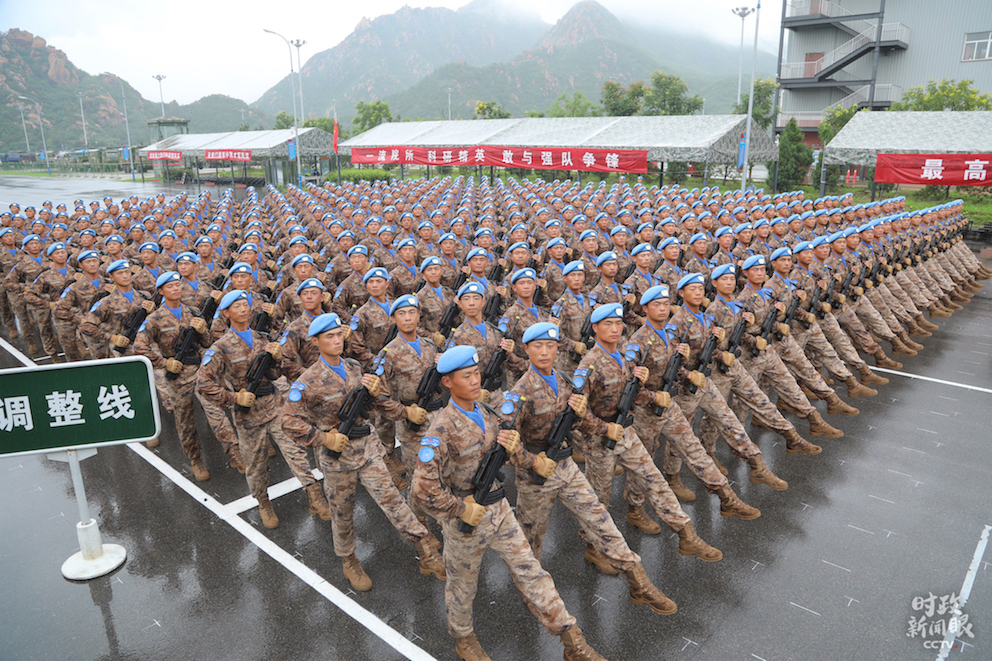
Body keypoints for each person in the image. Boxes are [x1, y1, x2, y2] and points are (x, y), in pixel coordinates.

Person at [412, 344, 608, 661]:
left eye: (477, 373)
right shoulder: (440, 430)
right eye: (466, 376)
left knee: (532, 572)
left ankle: (572, 640)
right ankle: (464, 640)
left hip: (500, 511)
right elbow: (422, 489)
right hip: (465, 522)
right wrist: (460, 509)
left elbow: (507, 455)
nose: (475, 381)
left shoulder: (489, 413)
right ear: (447, 382)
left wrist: (522, 454)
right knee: (463, 588)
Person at [508, 322, 677, 614]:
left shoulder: (563, 381)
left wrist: (601, 425)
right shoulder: (518, 394)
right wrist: (533, 461)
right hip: (535, 475)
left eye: (550, 346)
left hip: (566, 465)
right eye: (537, 346)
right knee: (531, 539)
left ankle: (639, 580)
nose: (545, 352)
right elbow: (506, 446)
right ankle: (531, 591)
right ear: (526, 349)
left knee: (599, 518)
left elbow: (580, 421)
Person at [280, 312, 445, 590]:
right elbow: (288, 421)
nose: (336, 341)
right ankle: (349, 560)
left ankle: (425, 548)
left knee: (393, 500)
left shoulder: (355, 369)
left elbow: (379, 403)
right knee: (342, 513)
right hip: (338, 460)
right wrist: (322, 438)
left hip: (368, 451)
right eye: (329, 337)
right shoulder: (307, 381)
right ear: (316, 341)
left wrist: (402, 410)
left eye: (338, 335)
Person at [575, 303, 722, 561]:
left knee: (654, 479)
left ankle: (687, 535)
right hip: (599, 442)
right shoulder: (588, 366)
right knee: (599, 500)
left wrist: (652, 395)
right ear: (595, 328)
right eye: (607, 324)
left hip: (626, 431)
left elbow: (632, 393)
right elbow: (576, 414)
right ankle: (593, 549)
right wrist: (604, 427)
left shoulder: (622, 355)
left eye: (618, 324)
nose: (614, 329)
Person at [197, 290, 295, 528]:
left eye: (245, 304)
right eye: (237, 306)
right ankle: (263, 501)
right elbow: (203, 383)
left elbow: (276, 372)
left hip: (273, 404)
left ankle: (314, 493)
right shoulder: (220, 347)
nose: (243, 309)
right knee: (256, 463)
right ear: (226, 312)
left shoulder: (263, 338)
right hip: (247, 415)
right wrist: (233, 398)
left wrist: (278, 358)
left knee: (295, 449)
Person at [133, 271, 213, 480]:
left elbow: (207, 343)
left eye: (178, 285)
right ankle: (195, 459)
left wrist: (204, 330)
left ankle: (233, 450)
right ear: (161, 291)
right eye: (170, 286)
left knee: (217, 409)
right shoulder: (154, 319)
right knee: (185, 419)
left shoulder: (193, 311)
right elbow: (139, 347)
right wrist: (164, 362)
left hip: (198, 369)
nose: (176, 288)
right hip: (176, 375)